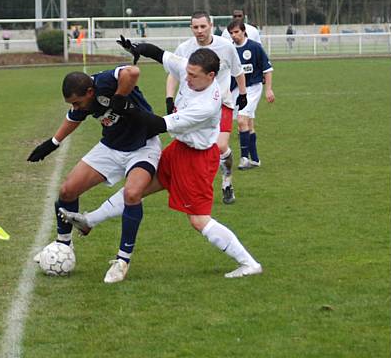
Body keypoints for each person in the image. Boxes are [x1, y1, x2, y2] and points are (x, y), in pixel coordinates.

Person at [61, 39, 262, 279]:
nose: (186, 79)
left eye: (193, 76)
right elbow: (160, 55)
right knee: (135, 190)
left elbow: (157, 124)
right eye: (187, 73)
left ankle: (249, 263)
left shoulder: (206, 105)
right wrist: (138, 48)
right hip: (179, 150)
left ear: (211, 76)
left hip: (197, 160)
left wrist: (126, 107)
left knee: (198, 220)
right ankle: (89, 221)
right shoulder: (191, 68)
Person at [27, 65, 162, 284]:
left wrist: (119, 98)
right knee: (67, 191)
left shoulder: (105, 81)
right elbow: (74, 118)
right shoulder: (83, 101)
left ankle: (122, 261)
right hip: (111, 147)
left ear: (90, 92)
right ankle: (63, 245)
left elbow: (132, 72)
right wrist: (52, 143)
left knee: (132, 194)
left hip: (143, 146)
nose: (75, 106)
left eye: (77, 102)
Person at [166, 11, 247, 204]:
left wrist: (242, 94)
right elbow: (173, 73)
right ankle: (188, 185)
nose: (199, 31)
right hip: (194, 105)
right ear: (191, 28)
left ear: (210, 26)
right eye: (195, 27)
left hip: (223, 103)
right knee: (188, 145)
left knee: (220, 146)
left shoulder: (226, 47)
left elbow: (238, 72)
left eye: (203, 26)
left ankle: (227, 182)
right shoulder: (184, 48)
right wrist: (169, 98)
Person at [227, 20, 275, 170]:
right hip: (236, 90)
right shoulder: (229, 50)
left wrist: (268, 89)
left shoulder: (255, 47)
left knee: (241, 120)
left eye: (236, 32)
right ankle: (255, 160)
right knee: (248, 124)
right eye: (231, 33)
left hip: (253, 88)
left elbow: (267, 69)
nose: (234, 35)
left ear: (243, 31)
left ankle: (243, 159)